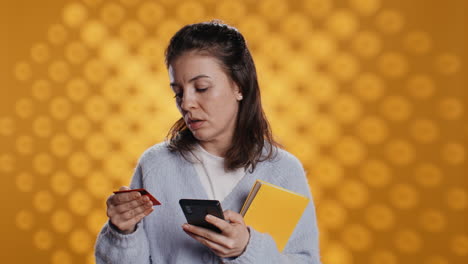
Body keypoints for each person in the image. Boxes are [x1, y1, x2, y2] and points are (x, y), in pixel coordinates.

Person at [94, 20, 321, 264]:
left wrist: (247, 250)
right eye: (178, 92)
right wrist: (122, 233)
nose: (186, 103)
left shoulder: (283, 172)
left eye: (201, 87)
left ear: (239, 86)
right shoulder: (155, 166)